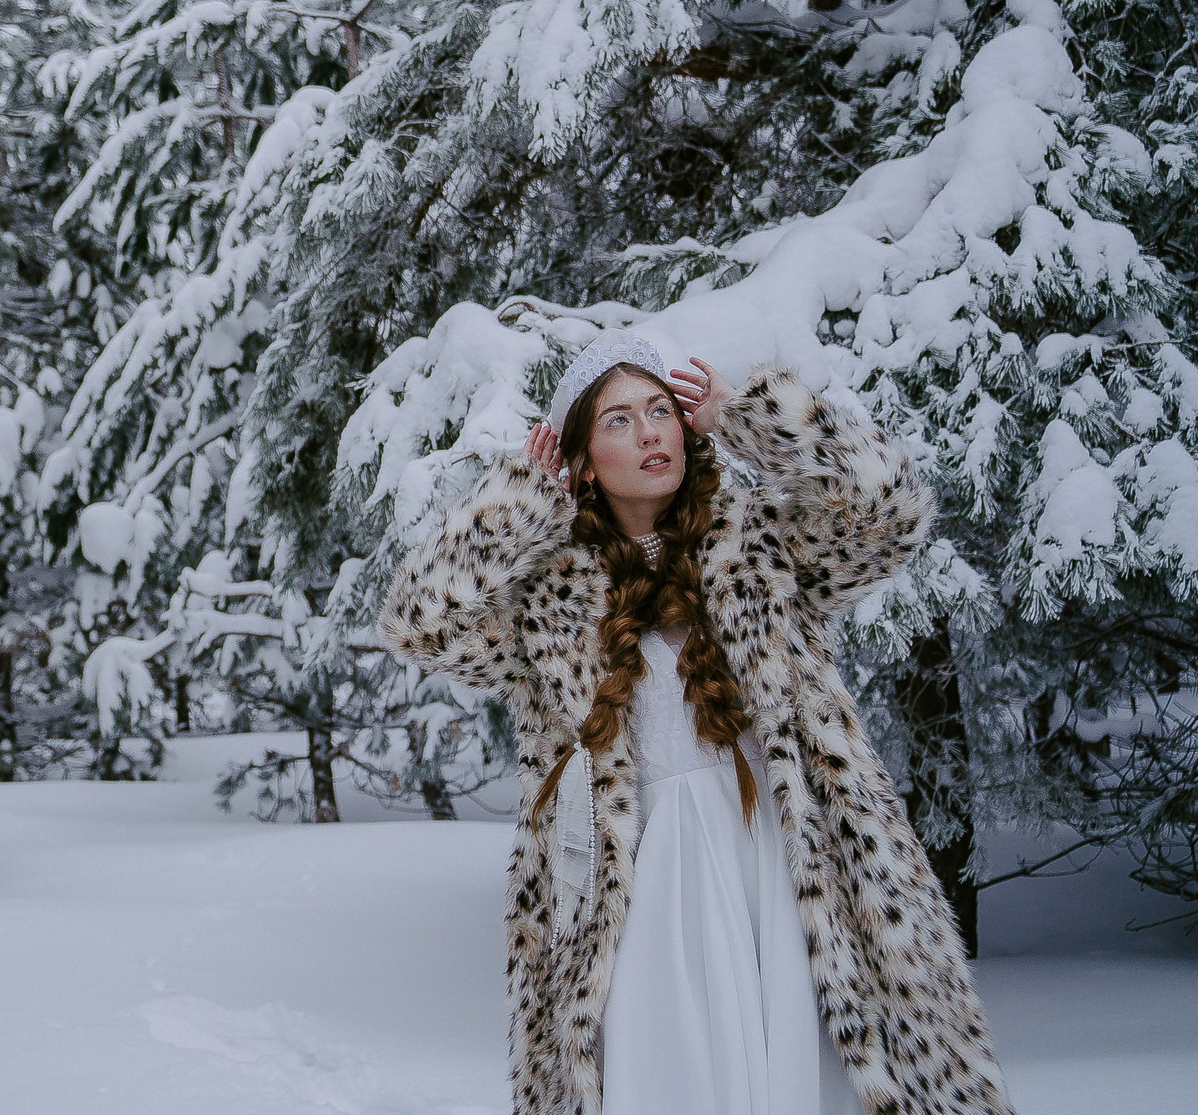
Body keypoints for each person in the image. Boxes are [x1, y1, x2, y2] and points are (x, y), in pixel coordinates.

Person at [379, 332, 1012, 1115]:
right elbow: (418, 623)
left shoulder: (757, 544)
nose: (650, 431)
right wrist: (516, 504)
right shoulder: (543, 604)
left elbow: (891, 510)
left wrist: (749, 417)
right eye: (618, 420)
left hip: (788, 880)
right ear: (578, 459)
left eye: (660, 410)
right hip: (638, 914)